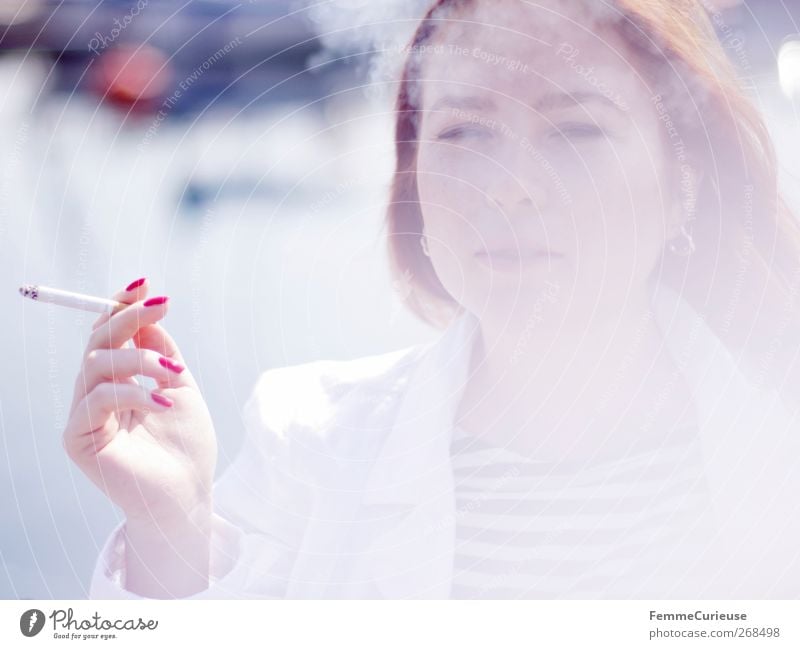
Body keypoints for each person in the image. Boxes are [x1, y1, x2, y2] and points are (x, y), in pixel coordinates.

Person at [65, 0, 800, 599]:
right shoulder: (310, 446)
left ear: (685, 184)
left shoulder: (779, 456)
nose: (509, 183)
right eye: (465, 131)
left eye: (578, 129)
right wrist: (172, 529)